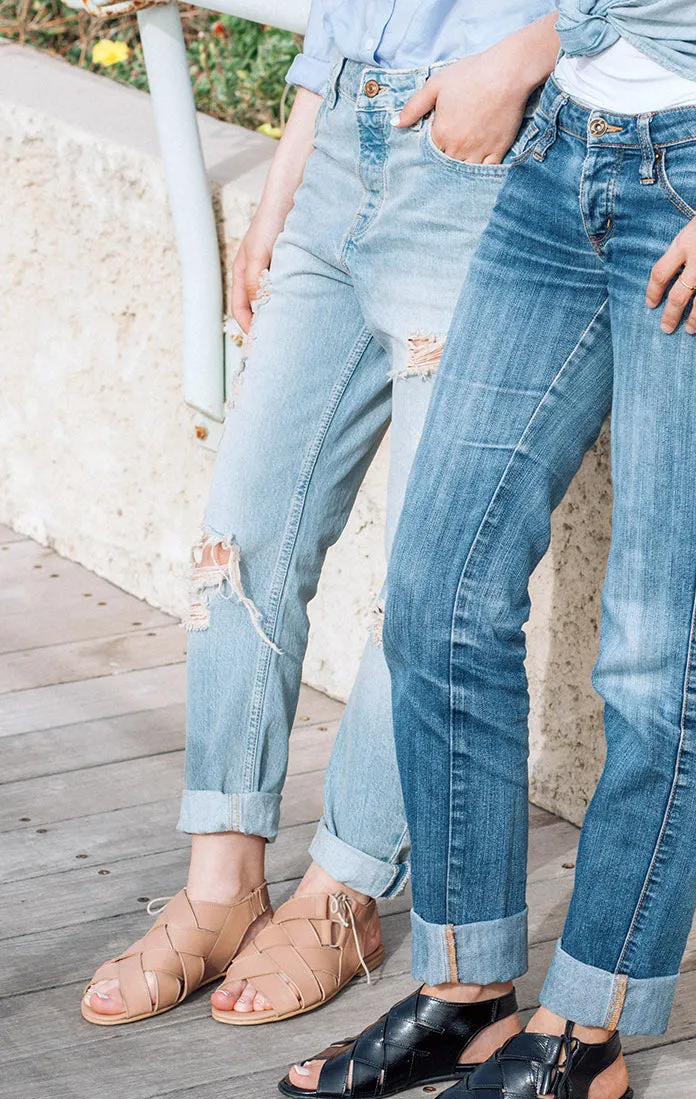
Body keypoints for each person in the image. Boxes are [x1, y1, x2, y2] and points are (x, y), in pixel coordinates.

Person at [283, 2, 696, 1099]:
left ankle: (585, 1034)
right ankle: (467, 986)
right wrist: (532, 50)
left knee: (658, 648)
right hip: (562, 150)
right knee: (436, 592)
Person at [81, 2, 561, 1026]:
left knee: (423, 577)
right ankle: (220, 883)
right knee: (239, 536)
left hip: (478, 150)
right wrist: (286, 183)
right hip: (343, 142)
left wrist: (520, 60)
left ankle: (342, 890)